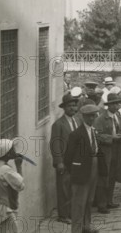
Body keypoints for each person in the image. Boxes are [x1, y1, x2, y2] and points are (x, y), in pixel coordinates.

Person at [65, 104, 107, 233]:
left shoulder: (93, 131)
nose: (92, 118)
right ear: (83, 117)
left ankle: (86, 226)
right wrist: (76, 171)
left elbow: (98, 150)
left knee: (89, 200)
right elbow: (68, 156)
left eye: (94, 116)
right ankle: (76, 229)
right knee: (79, 202)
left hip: (93, 167)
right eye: (89, 116)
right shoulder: (76, 134)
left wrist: (102, 168)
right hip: (81, 171)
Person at [50, 92, 81, 224]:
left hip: (77, 161)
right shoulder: (58, 124)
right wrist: (59, 162)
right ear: (64, 108)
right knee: (64, 189)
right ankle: (63, 215)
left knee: (75, 187)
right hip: (65, 162)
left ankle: (72, 213)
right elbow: (55, 144)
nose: (72, 108)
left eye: (74, 106)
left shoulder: (78, 121)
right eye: (69, 106)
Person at [94, 93, 121, 213]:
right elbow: (96, 135)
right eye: (115, 103)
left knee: (113, 175)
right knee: (104, 177)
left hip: (117, 150)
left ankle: (109, 201)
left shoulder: (117, 116)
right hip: (105, 151)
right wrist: (111, 138)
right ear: (109, 105)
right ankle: (101, 204)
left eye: (118, 103)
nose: (117, 105)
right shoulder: (101, 119)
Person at [0, 139, 25, 233]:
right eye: (12, 149)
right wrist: (19, 166)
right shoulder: (4, 169)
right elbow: (20, 185)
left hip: (0, 209)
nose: (15, 151)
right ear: (7, 153)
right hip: (6, 210)